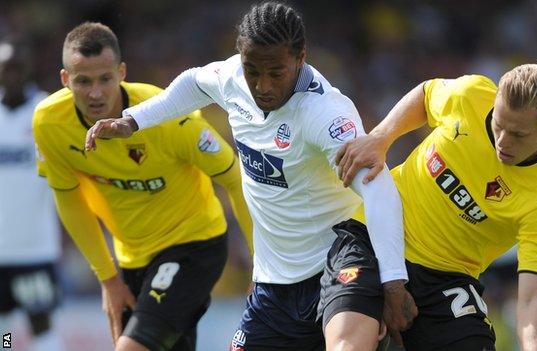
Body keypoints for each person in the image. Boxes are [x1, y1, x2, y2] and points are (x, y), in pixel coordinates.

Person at [84, 2, 416, 350]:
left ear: (301, 57)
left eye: (276, 72)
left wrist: (394, 283)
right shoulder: (232, 79)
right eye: (252, 70)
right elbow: (193, 83)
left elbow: (380, 192)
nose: (263, 85)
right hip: (274, 282)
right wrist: (132, 120)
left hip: (338, 261)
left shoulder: (325, 114)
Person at [32, 22, 253, 351]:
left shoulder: (168, 115)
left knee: (131, 347)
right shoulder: (49, 124)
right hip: (132, 259)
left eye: (104, 79)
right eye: (83, 81)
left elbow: (235, 178)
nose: (95, 93)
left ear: (121, 72)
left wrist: (262, 267)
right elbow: (69, 198)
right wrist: (108, 279)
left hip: (194, 244)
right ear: (65, 79)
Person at [337, 64, 537, 350]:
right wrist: (381, 137)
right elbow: (424, 95)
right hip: (375, 232)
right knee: (353, 341)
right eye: (498, 123)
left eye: (518, 135)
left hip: (447, 278)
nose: (502, 142)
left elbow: (533, 296)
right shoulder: (470, 95)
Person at [0, 41, 64, 351]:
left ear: (27, 69)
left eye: (15, 67)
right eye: (4, 67)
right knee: (4, 330)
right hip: (1, 248)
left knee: (40, 324)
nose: (10, 74)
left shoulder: (46, 111)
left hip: (35, 247)